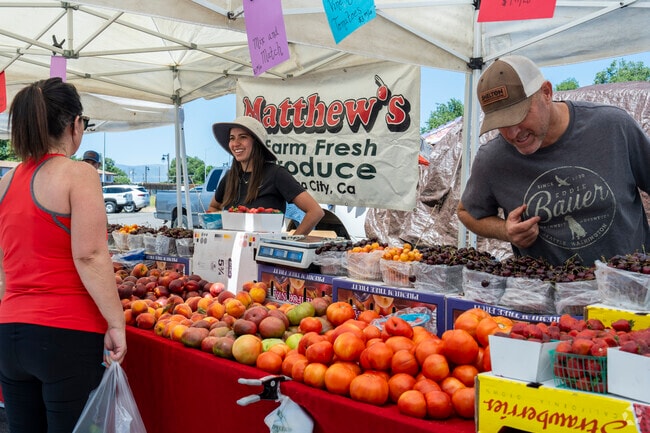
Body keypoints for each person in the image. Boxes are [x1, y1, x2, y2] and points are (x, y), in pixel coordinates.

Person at [0, 77, 127, 432]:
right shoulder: (79, 174)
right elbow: (90, 255)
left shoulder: (5, 183)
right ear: (75, 124)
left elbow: (5, 267)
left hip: (10, 334)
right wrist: (116, 323)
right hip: (65, 334)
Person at [457, 55, 650, 266]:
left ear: (546, 93)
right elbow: (466, 212)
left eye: (518, 115)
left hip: (628, 289)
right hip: (546, 292)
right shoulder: (492, 159)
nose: (512, 133)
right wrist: (506, 231)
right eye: (501, 123)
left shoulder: (613, 127)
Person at [208, 115, 324, 236]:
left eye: (243, 137)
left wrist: (291, 244)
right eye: (232, 138)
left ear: (257, 142)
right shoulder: (230, 177)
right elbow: (213, 207)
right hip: (230, 252)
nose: (235, 143)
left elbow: (315, 212)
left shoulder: (276, 174)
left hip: (263, 253)